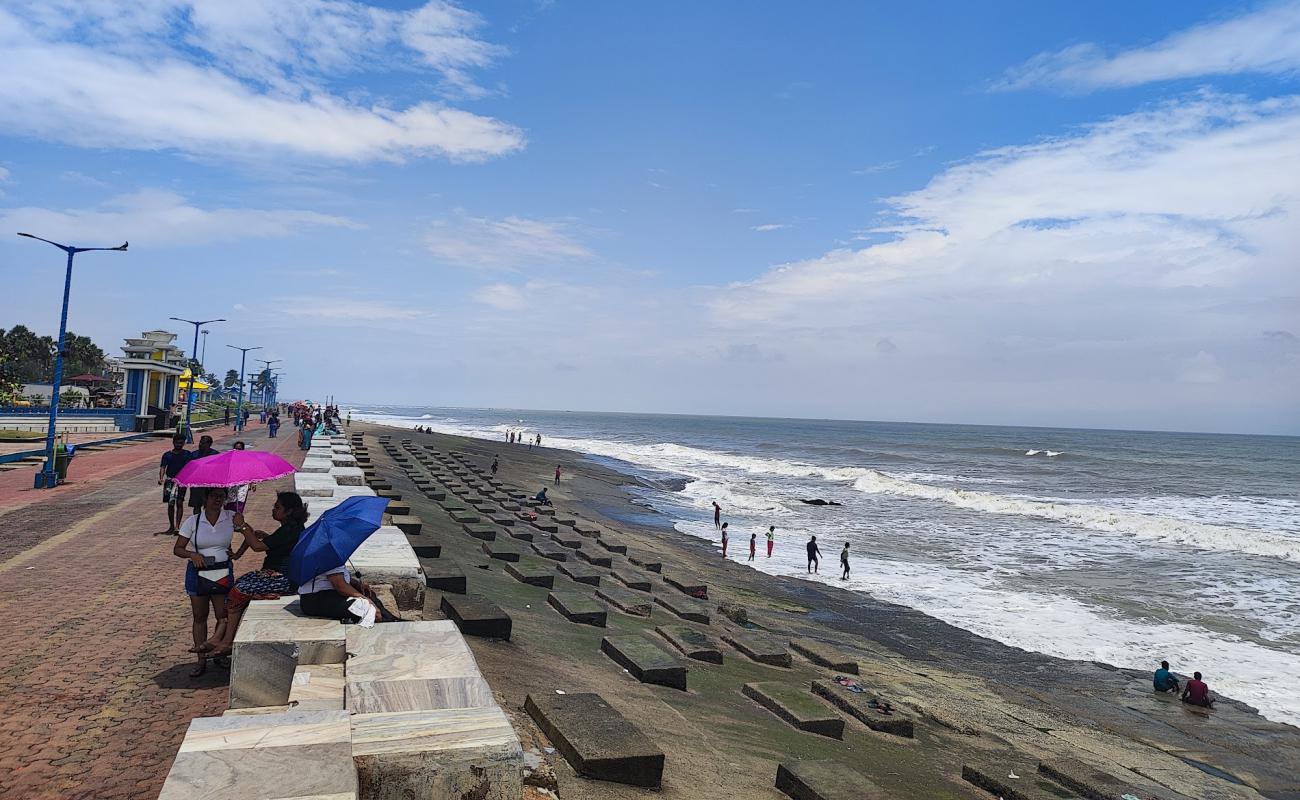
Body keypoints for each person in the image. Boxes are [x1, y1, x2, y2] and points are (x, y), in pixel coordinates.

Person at [195, 491, 309, 657]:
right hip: (271, 573)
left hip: (282, 579)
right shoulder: (288, 528)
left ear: (289, 511)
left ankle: (227, 642)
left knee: (239, 591)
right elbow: (278, 544)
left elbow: (257, 546)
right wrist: (259, 536)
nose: (273, 510)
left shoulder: (290, 529)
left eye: (278, 507)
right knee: (235, 587)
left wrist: (242, 526)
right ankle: (218, 637)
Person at [174, 486, 238, 677]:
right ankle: (200, 658)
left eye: (221, 497)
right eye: (214, 496)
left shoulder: (231, 517)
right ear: (205, 498)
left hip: (221, 571)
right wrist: (192, 554)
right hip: (198, 572)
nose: (217, 500)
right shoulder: (194, 521)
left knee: (222, 615)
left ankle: (219, 653)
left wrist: (238, 551)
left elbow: (252, 537)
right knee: (199, 616)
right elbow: (178, 548)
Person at [159, 434, 191, 534]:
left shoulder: (187, 454)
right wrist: (161, 478)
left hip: (182, 481)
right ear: (173, 442)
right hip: (170, 481)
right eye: (177, 442)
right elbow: (163, 467)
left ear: (184, 443)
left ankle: (177, 526)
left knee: (180, 503)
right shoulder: (167, 455)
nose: (179, 445)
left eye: (181, 443)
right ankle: (171, 526)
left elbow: (192, 466)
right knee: (170, 503)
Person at [186, 435, 218, 518]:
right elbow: (188, 468)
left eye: (203, 443)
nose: (200, 444)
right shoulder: (194, 454)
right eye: (200, 442)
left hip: (210, 484)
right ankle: (196, 521)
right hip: (196, 484)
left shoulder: (215, 455)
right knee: (196, 505)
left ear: (209, 444)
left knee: (209, 504)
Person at [225, 441, 252, 514]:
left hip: (242, 486)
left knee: (239, 506)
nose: (237, 451)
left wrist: (252, 483)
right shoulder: (228, 459)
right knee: (229, 506)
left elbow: (251, 471)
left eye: (239, 449)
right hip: (230, 486)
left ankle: (237, 522)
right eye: (236, 449)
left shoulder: (247, 459)